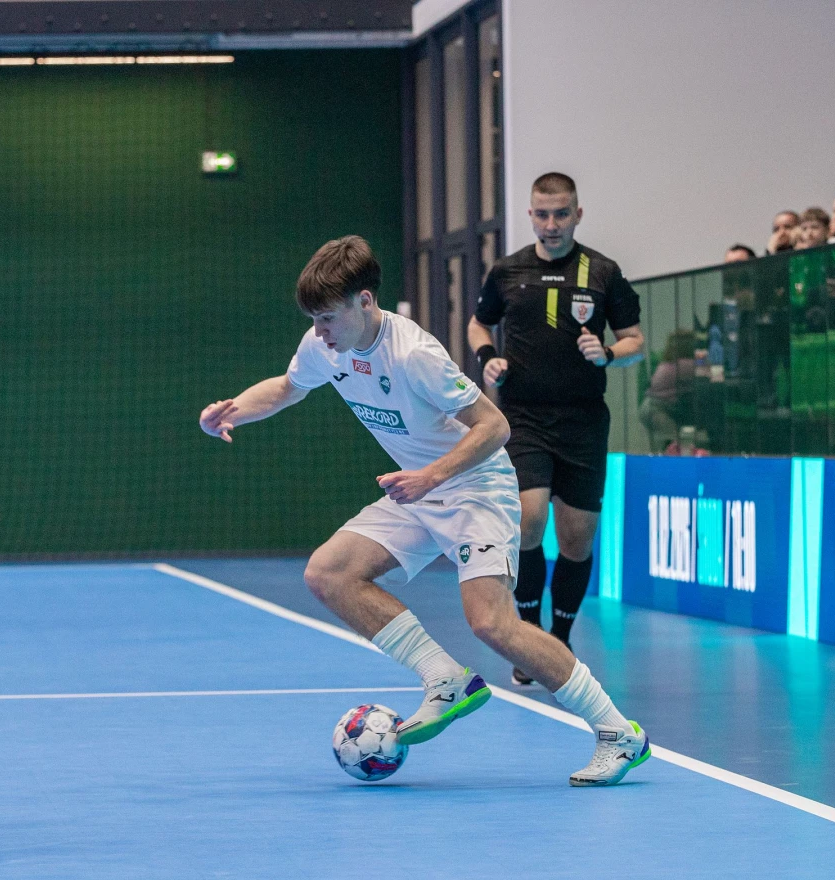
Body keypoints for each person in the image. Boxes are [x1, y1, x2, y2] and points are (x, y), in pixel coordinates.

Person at [199, 236, 649, 786]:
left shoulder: (414, 354)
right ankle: (445, 678)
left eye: (328, 318)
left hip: (473, 486)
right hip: (419, 488)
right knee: (329, 572)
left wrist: (431, 476)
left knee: (491, 623)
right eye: (314, 320)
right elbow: (289, 387)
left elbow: (495, 427)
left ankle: (619, 733)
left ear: (365, 302)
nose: (319, 332)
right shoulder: (325, 346)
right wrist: (233, 412)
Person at [466, 172, 645, 685]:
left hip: (583, 420)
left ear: (577, 214)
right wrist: (488, 357)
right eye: (542, 214)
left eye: (561, 213)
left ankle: (559, 639)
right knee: (528, 518)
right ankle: (528, 637)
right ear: (530, 215)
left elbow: (635, 341)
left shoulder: (603, 272)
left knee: (577, 539)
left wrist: (607, 352)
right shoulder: (508, 271)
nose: (551, 224)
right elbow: (479, 323)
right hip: (522, 417)